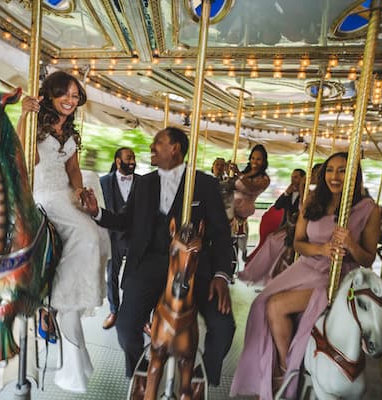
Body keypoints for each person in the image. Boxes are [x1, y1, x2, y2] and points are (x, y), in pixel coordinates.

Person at [82, 127, 236, 387]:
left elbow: (221, 234)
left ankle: (205, 378)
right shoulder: (144, 183)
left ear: (175, 148)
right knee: (126, 326)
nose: (152, 148)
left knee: (223, 327)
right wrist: (98, 212)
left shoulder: (205, 184)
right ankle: (137, 373)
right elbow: (125, 220)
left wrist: (221, 274)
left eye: (158, 143)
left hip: (192, 266)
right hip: (150, 263)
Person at [231, 152, 381, 400]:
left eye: (342, 170)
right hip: (308, 265)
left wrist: (351, 245)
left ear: (354, 175)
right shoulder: (312, 201)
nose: (335, 176)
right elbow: (299, 243)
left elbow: (368, 259)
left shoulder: (369, 209)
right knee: (260, 304)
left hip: (338, 274)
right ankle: (279, 365)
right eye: (330, 170)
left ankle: (284, 369)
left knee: (277, 306)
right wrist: (321, 249)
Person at [16, 71, 111, 393]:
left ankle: (66, 292)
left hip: (66, 193)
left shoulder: (68, 130)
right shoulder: (34, 123)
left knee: (97, 235)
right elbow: (19, 153)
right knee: (86, 234)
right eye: (65, 95)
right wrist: (24, 115)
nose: (71, 101)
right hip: (43, 194)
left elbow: (72, 168)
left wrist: (82, 191)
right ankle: (59, 296)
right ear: (51, 94)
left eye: (75, 96)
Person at [100, 147, 139, 330]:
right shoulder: (103, 182)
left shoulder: (142, 182)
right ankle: (114, 310)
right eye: (128, 157)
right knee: (111, 276)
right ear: (117, 161)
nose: (132, 161)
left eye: (133, 157)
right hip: (112, 236)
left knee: (135, 277)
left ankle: (138, 315)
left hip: (134, 236)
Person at [228, 144, 271, 269]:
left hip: (243, 207)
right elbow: (233, 185)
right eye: (252, 158)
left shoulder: (264, 179)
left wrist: (238, 173)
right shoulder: (246, 172)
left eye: (258, 159)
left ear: (263, 162)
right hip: (232, 203)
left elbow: (251, 187)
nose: (254, 161)